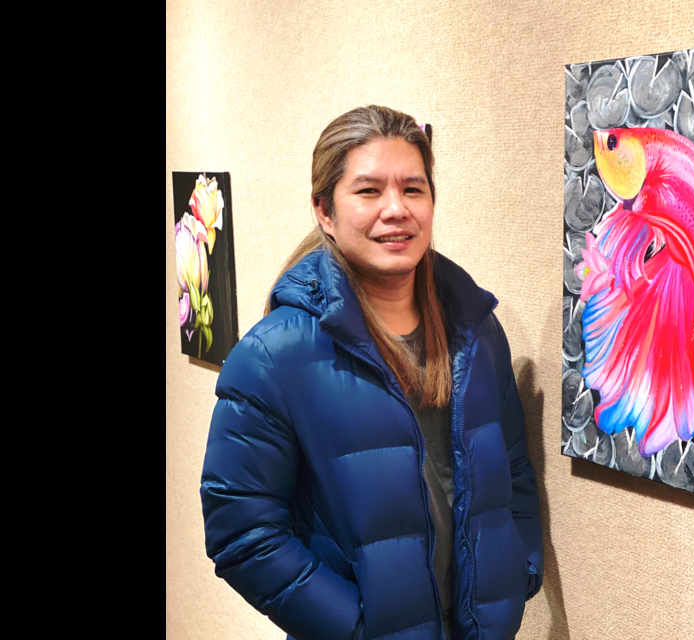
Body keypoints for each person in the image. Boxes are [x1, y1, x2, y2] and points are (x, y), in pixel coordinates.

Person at [201, 105, 543, 640]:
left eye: (413, 189)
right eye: (368, 191)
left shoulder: (477, 332)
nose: (396, 210)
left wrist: (517, 575)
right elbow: (242, 533)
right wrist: (358, 629)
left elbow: (515, 473)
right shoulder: (273, 356)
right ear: (325, 211)